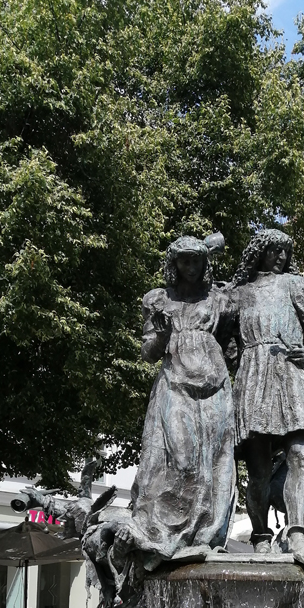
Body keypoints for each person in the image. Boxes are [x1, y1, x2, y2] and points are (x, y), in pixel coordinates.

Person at [112, 233, 236, 564]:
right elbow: (148, 353)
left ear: (205, 262)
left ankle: (204, 535)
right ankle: (162, 535)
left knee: (212, 463)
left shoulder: (220, 300)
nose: (191, 267)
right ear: (174, 264)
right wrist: (164, 333)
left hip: (215, 390)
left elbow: (232, 346)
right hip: (174, 384)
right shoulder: (157, 299)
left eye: (196, 260)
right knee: (179, 461)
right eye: (184, 260)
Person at [231, 229, 304, 575]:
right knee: (259, 470)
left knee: (301, 455)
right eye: (275, 249)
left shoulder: (297, 285)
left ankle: (297, 530)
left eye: (286, 251)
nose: (281, 256)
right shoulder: (240, 295)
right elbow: (223, 344)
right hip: (253, 378)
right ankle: (261, 534)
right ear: (259, 252)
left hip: (292, 375)